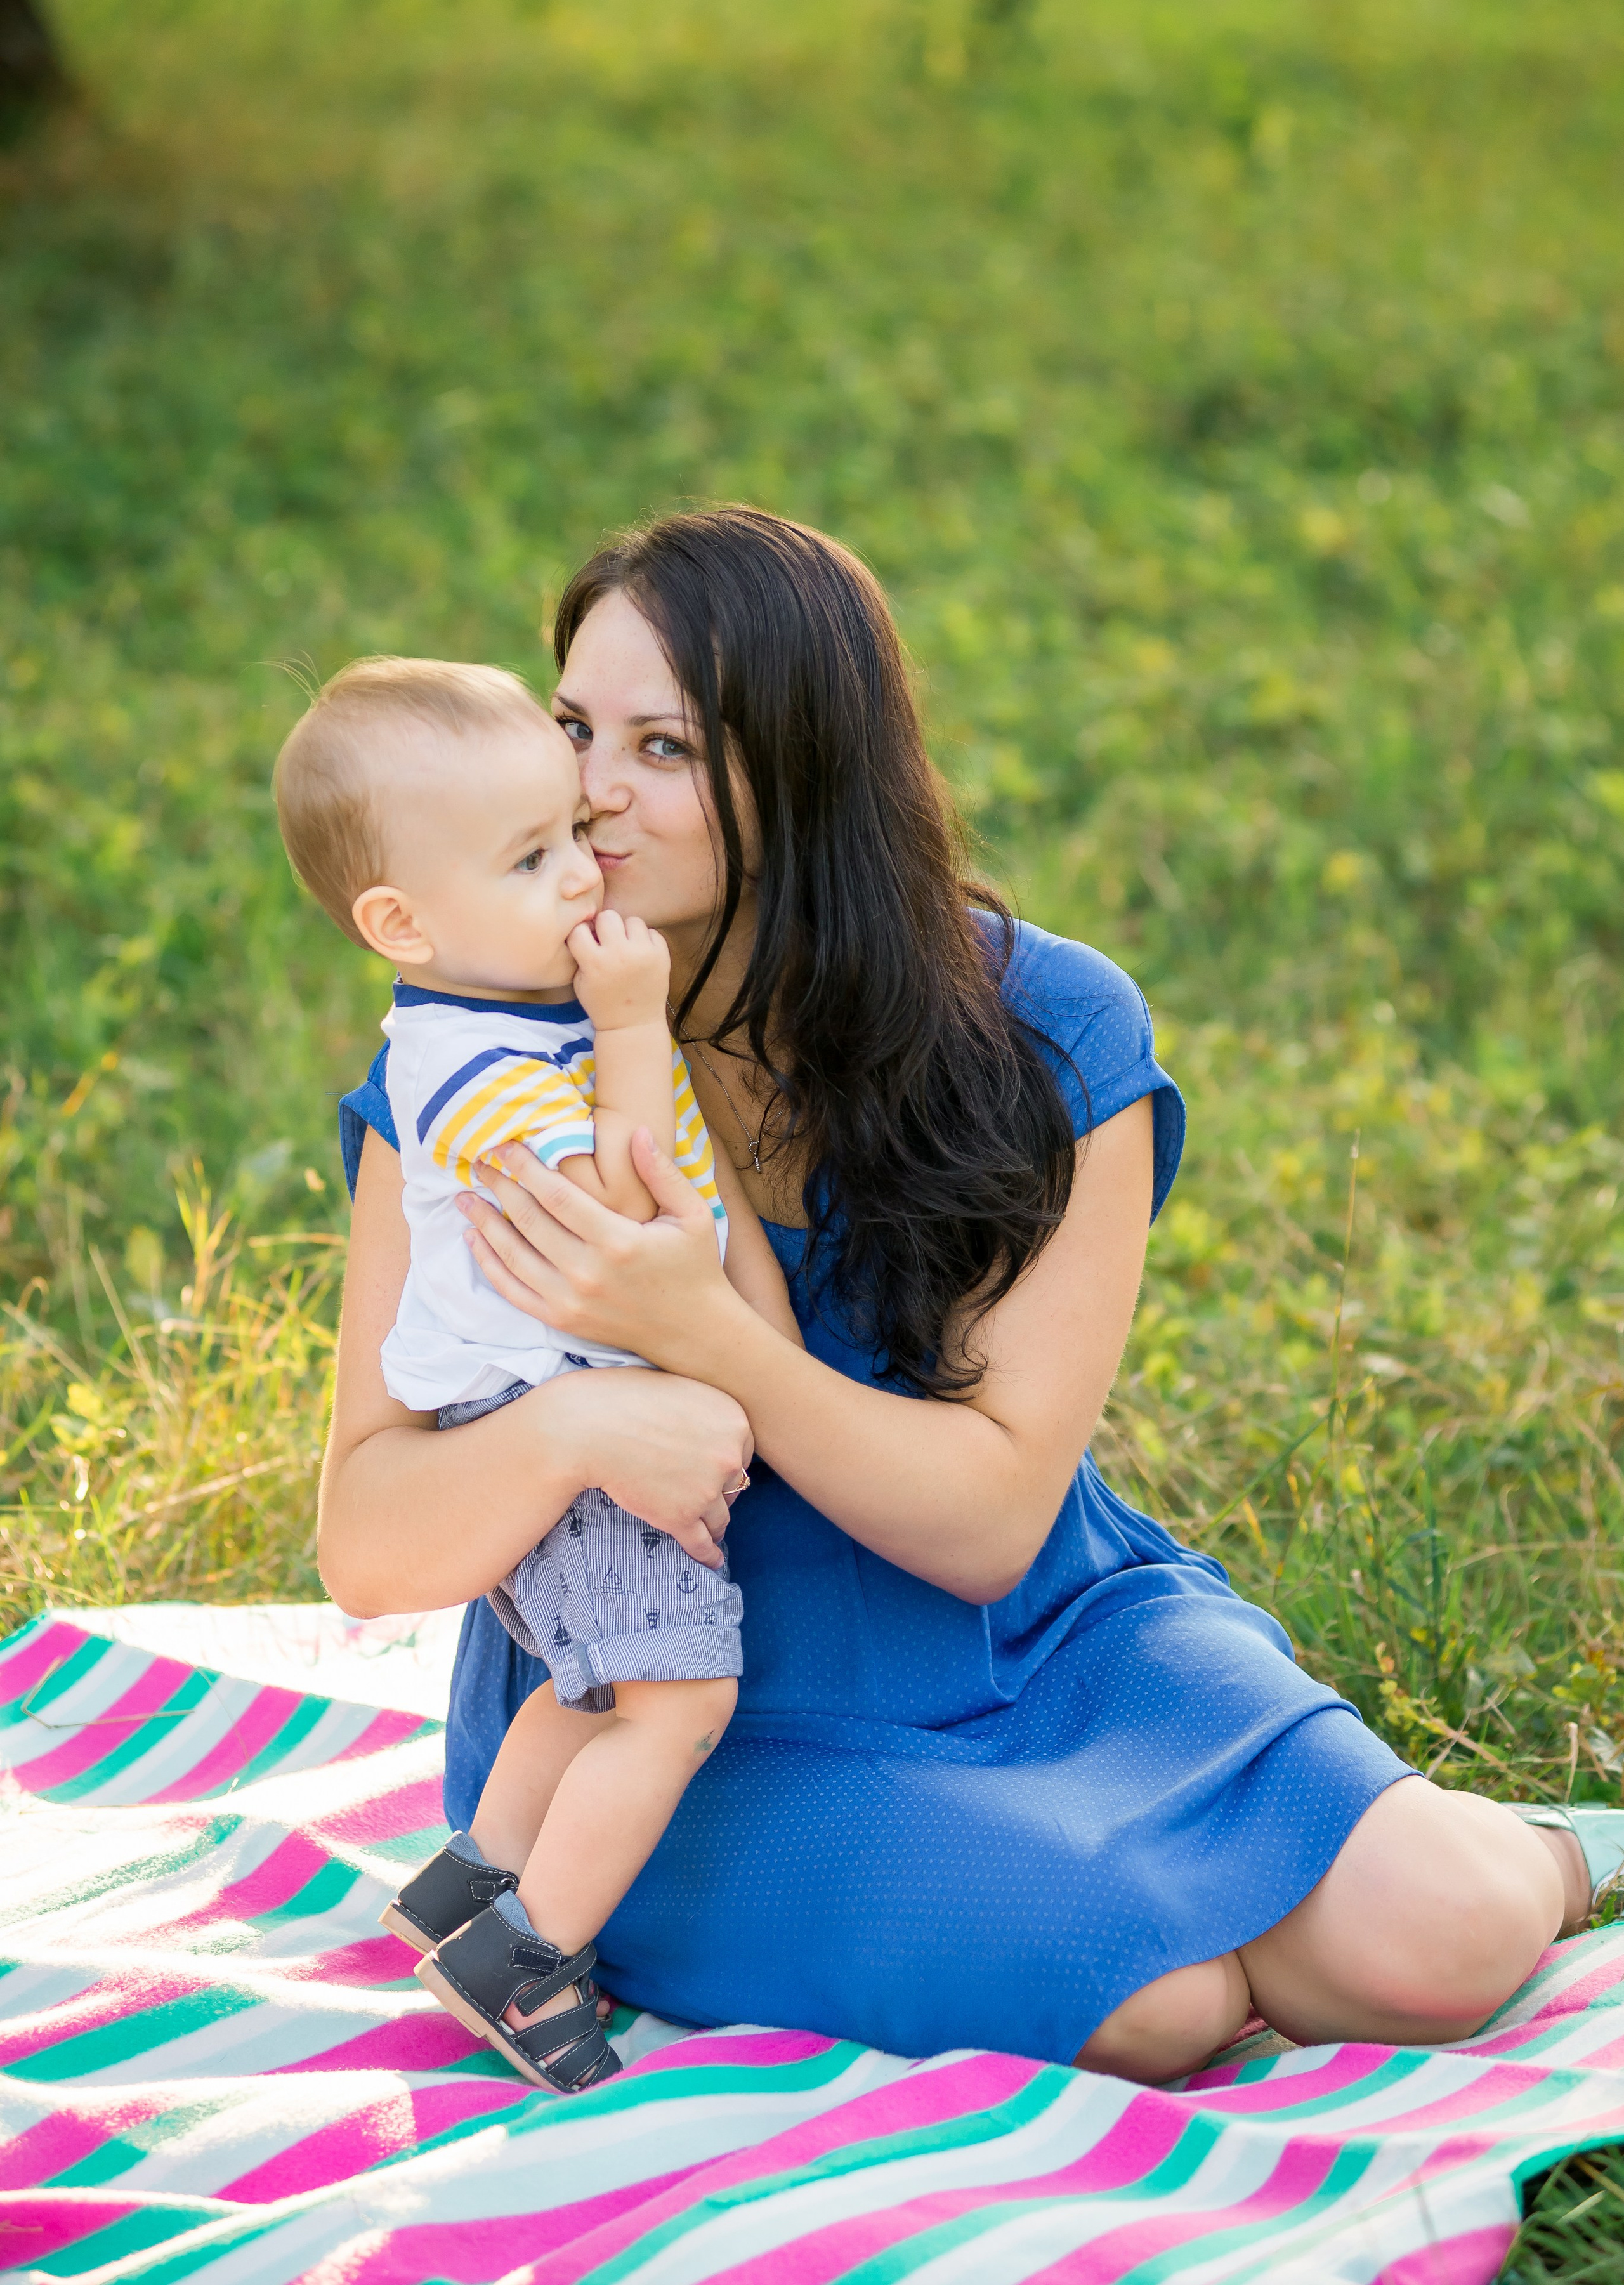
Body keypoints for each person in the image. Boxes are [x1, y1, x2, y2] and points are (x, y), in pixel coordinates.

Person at [320, 506, 1611, 2085]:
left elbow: (994, 1517)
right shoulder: (479, 1079)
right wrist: (583, 1418)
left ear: (805, 770)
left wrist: (700, 1335)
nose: (585, 794)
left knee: (1445, 1936)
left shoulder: (1041, 1028)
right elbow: (370, 1548)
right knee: (1155, 2002)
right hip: (667, 1706)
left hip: (1025, 1618)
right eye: (575, 724)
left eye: (661, 747)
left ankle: (1541, 1845)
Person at [275, 655, 801, 2091]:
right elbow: (632, 1229)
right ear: (402, 920)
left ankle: (464, 1886)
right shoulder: (488, 1068)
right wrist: (635, 1026)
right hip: (562, 1427)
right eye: (531, 857)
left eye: (573, 835)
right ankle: (525, 1962)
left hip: (534, 1419)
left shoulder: (490, 1022)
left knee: (582, 1687)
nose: (581, 874)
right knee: (674, 1703)